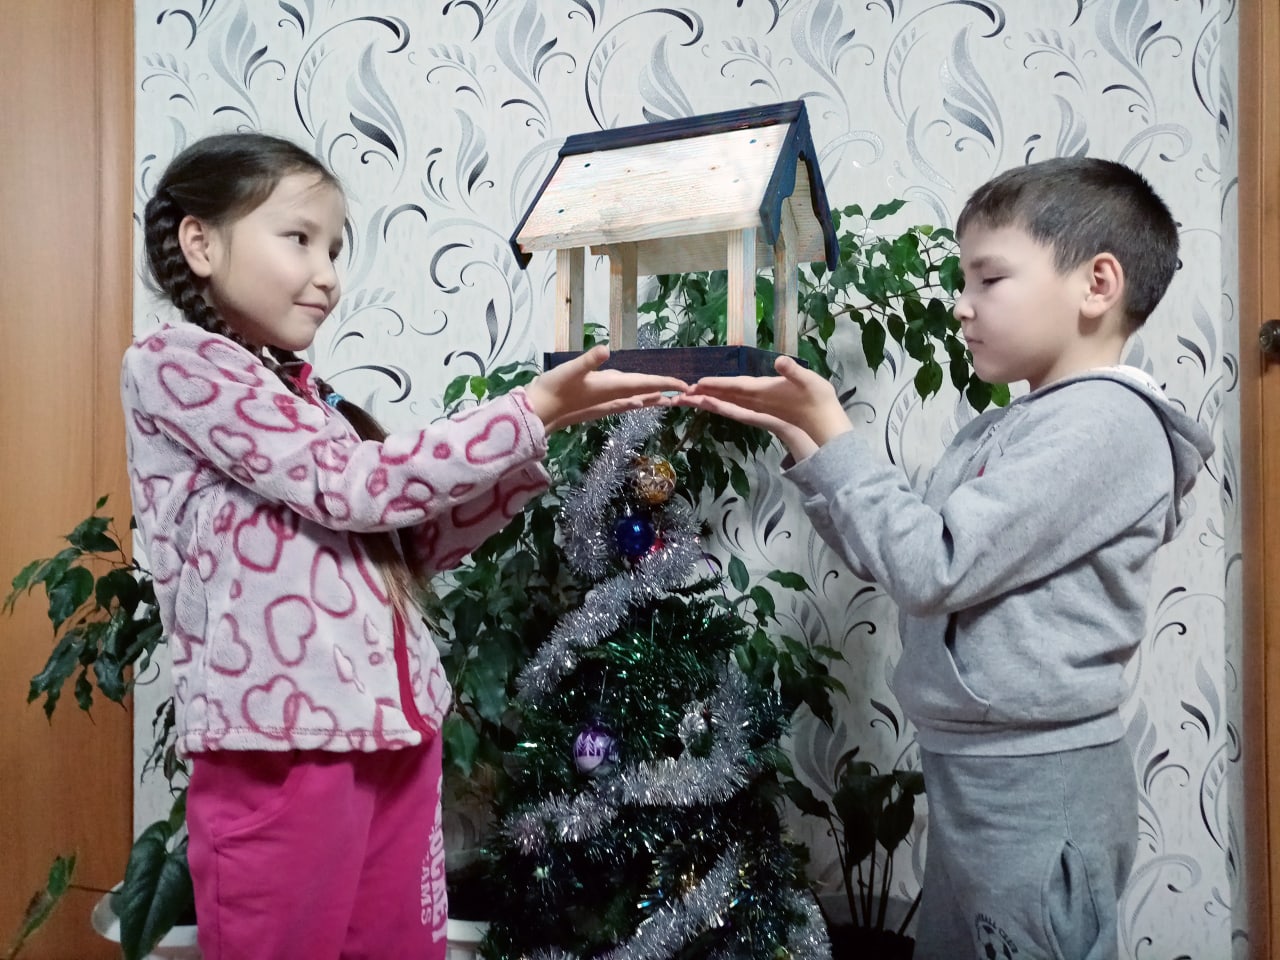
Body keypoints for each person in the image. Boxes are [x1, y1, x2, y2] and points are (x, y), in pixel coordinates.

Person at [123, 131, 688, 960]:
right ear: (200, 243)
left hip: (390, 735)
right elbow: (353, 486)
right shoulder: (177, 365)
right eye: (299, 238)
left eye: (335, 248)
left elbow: (408, 540)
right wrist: (525, 411)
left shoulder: (305, 399)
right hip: (285, 750)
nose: (327, 273)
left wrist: (546, 425)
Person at [672, 156, 1214, 960]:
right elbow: (900, 559)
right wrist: (808, 441)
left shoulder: (1107, 423)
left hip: (1040, 785)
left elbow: (933, 565)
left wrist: (837, 432)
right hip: (979, 769)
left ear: (1097, 285)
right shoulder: (1013, 426)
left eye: (988, 279)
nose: (962, 305)